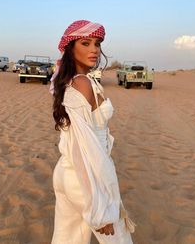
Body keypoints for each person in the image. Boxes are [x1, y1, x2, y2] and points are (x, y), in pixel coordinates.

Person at [50, 20, 135, 244]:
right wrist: (101, 207)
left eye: (97, 44)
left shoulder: (77, 81)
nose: (94, 49)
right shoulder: (81, 84)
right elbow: (84, 148)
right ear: (71, 48)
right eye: (85, 43)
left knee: (67, 239)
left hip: (68, 172)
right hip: (83, 177)